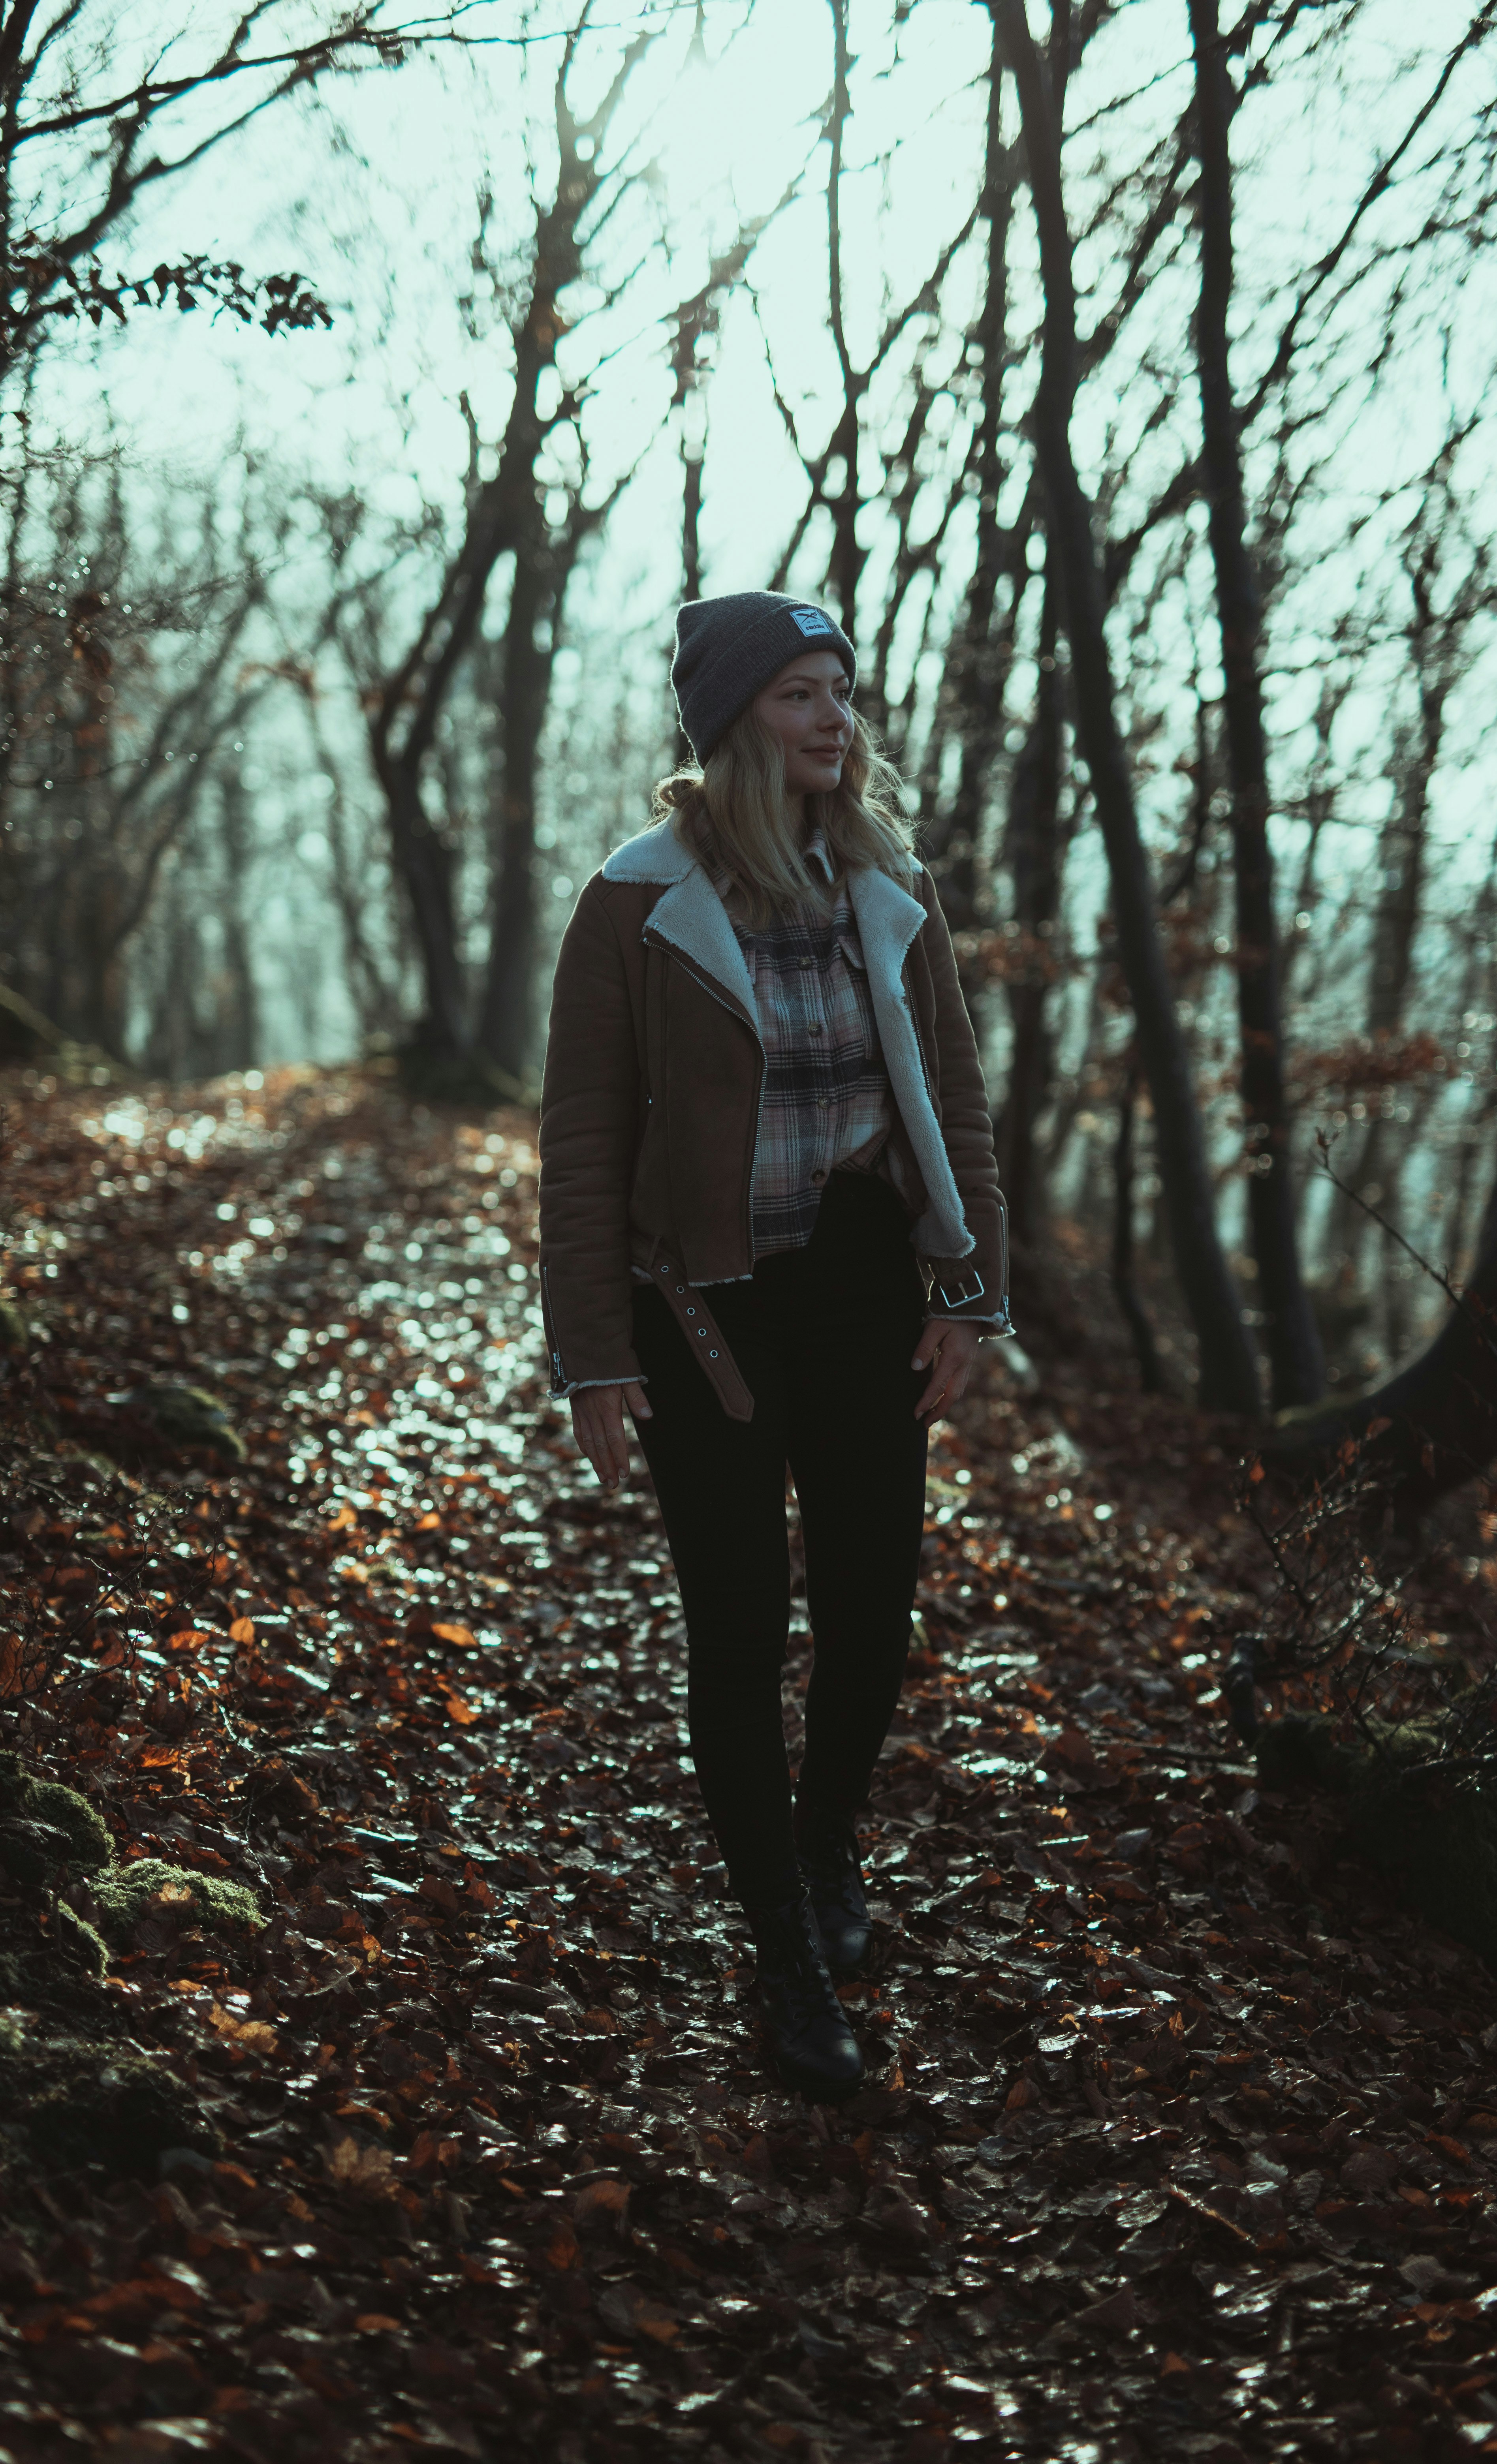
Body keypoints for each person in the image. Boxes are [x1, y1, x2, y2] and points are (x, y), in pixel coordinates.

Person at [537, 590, 1010, 2100]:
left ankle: (822, 1853)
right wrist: (594, 1353)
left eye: (843, 692)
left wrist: (973, 1298)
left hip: (873, 1287)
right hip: (708, 1314)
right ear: (738, 717)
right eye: (806, 693)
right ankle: (788, 1966)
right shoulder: (638, 901)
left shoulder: (887, 883)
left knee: (875, 1607)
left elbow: (954, 1097)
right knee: (740, 1630)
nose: (836, 719)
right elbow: (585, 1137)